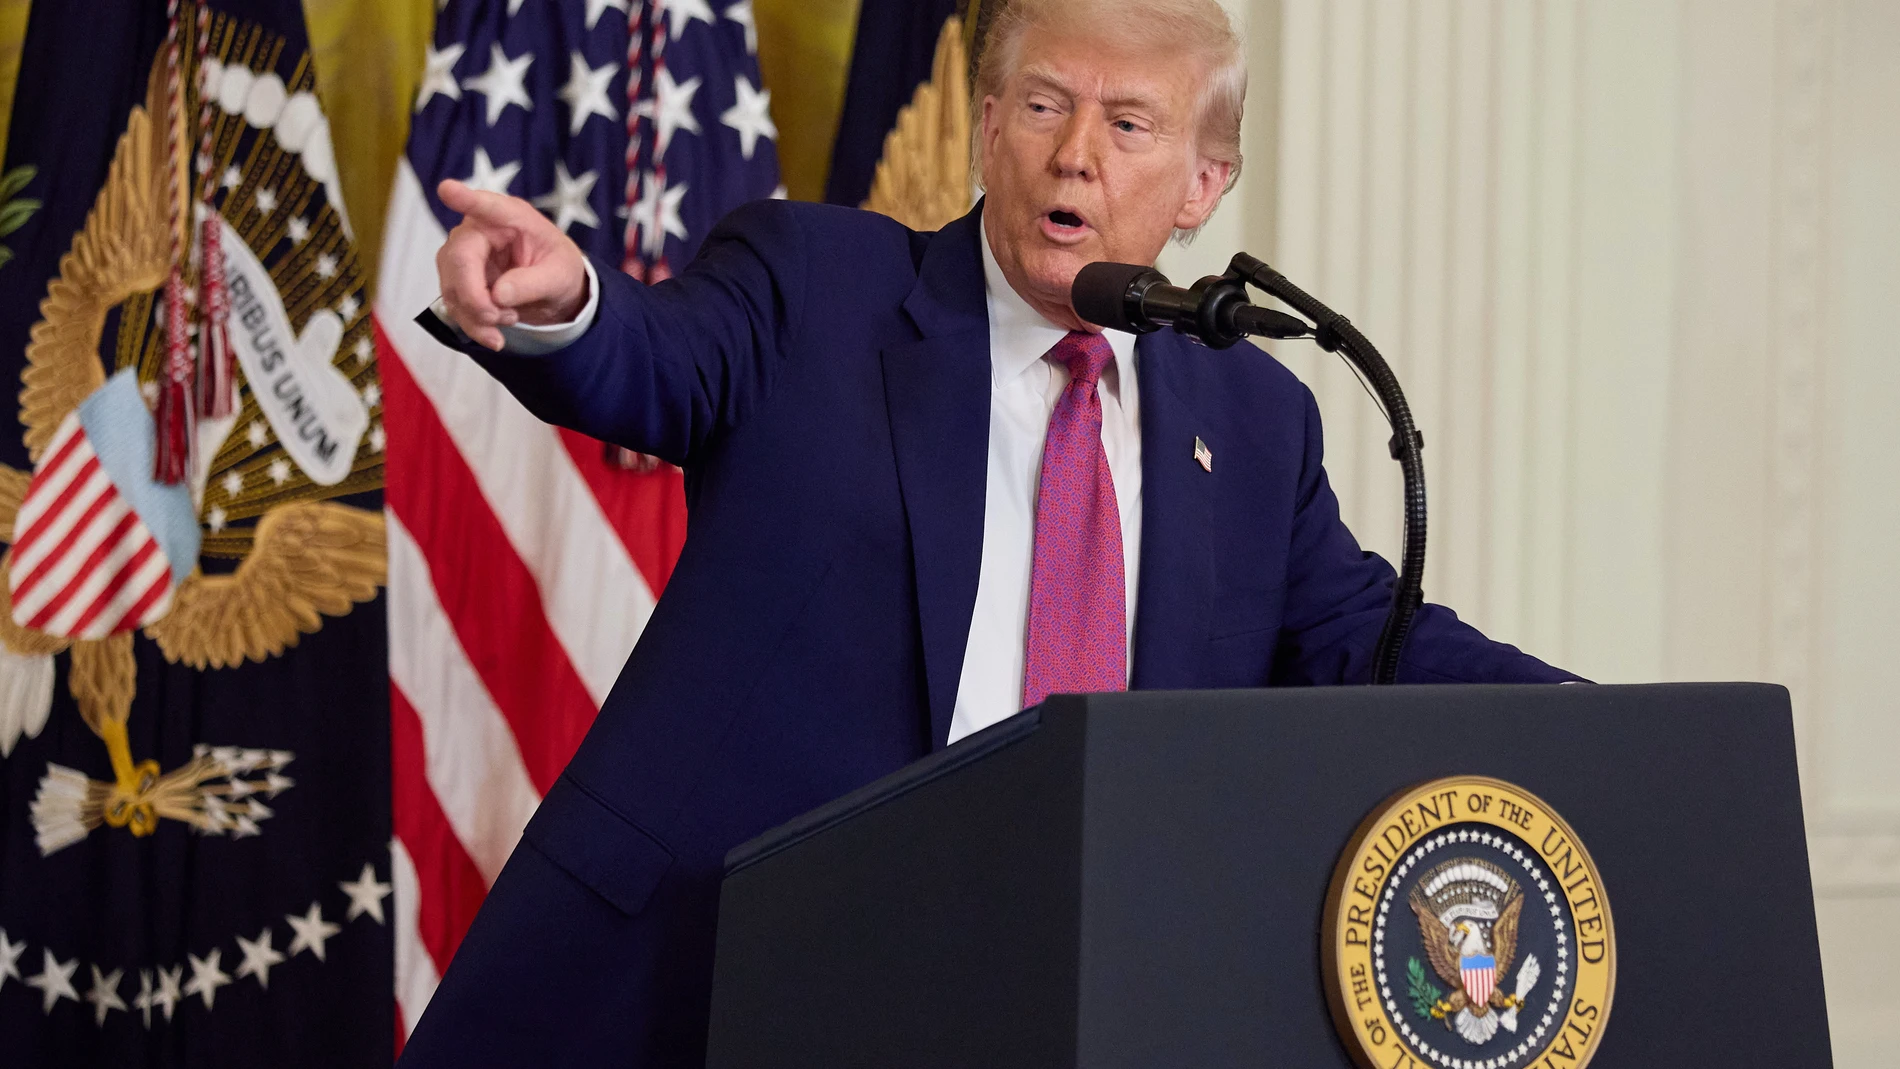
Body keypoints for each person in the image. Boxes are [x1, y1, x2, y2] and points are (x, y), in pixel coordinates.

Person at [398, 0, 1577, 1064]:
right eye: (1044, 105)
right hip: (709, 975)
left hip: (1041, 1004)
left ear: (1201, 186)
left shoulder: (1256, 421)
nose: (1075, 153)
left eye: (1128, 125)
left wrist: (1620, 727)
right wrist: (567, 309)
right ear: (984, 124)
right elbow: (655, 361)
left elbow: (1363, 635)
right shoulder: (818, 285)